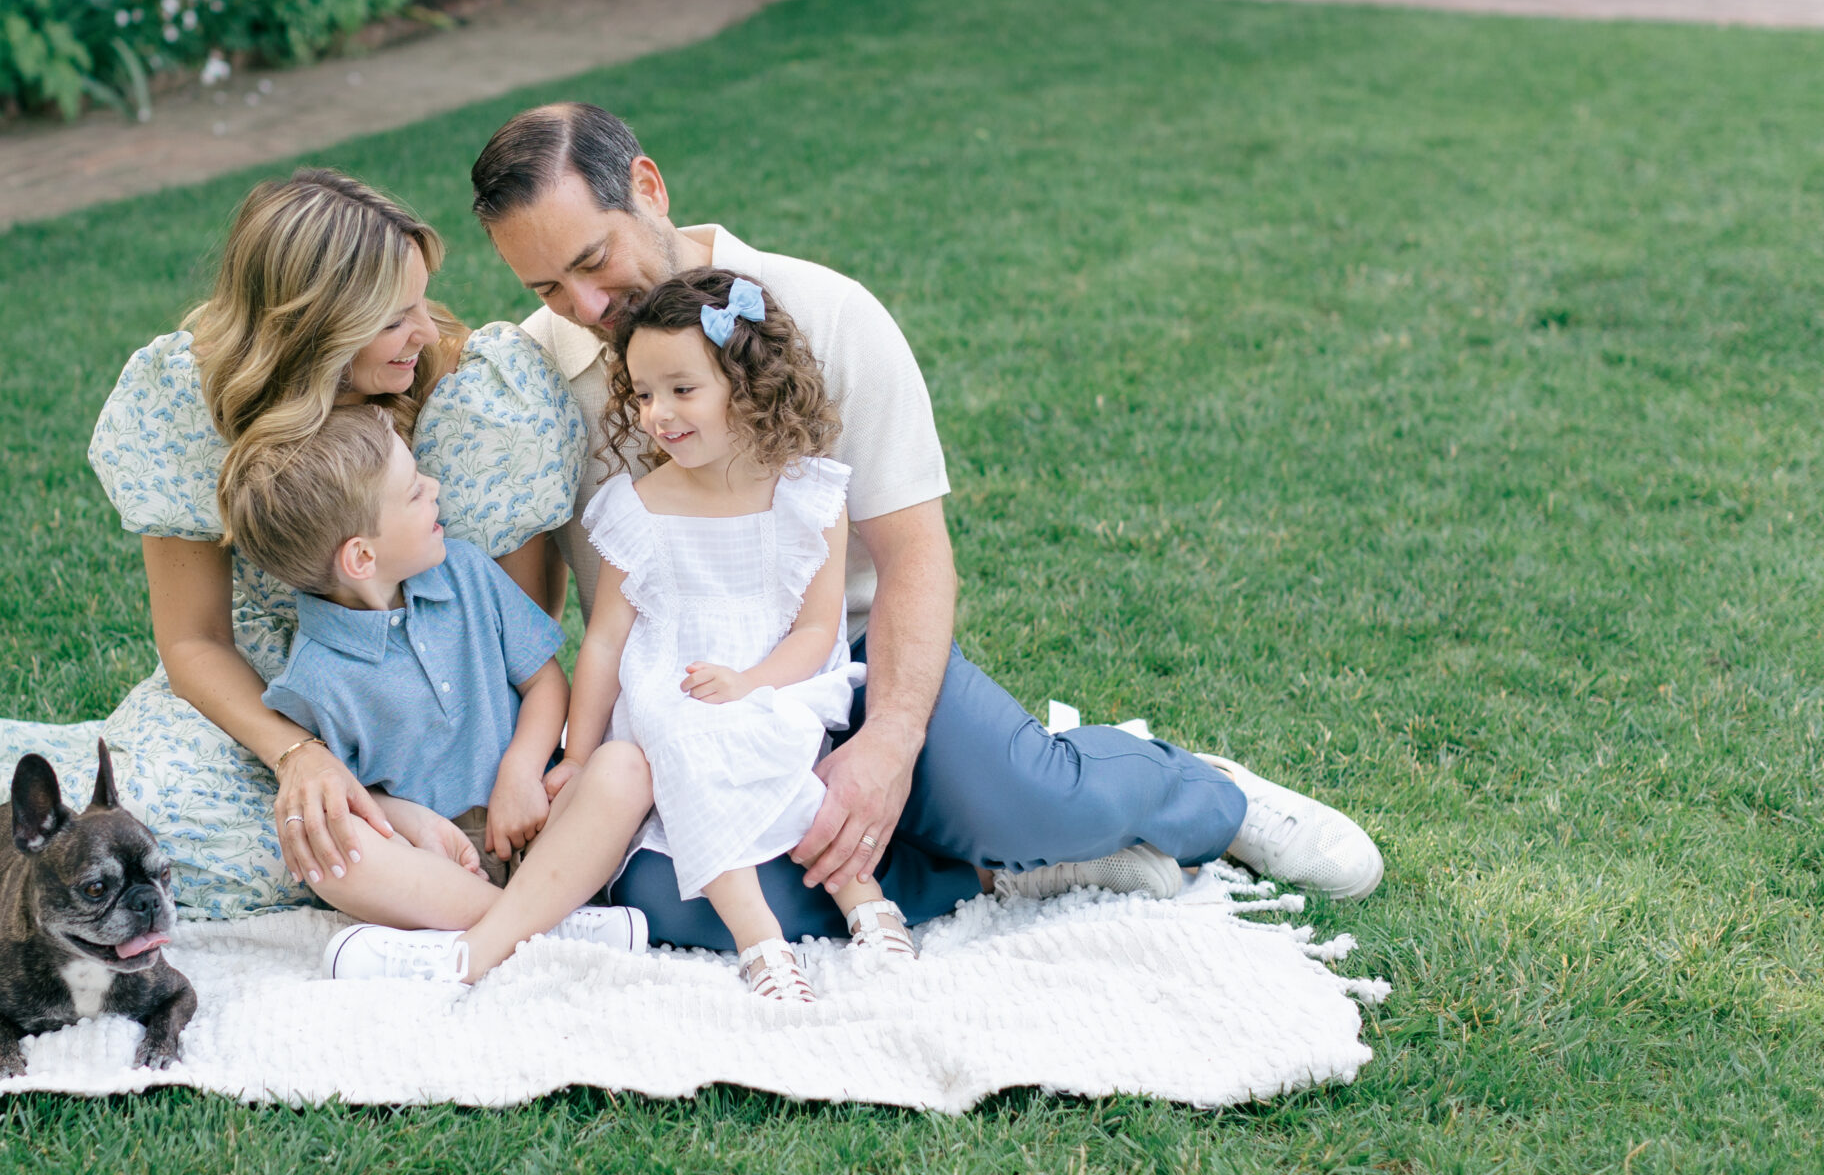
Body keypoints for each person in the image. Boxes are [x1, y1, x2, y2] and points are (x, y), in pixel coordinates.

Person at [470, 102, 1384, 952]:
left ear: (649, 188)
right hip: (683, 720)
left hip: (848, 667)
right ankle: (997, 870)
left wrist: (889, 744)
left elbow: (913, 557)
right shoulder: (532, 376)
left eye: (593, 260)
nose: (586, 306)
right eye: (548, 285)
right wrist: (543, 763)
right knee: (676, 904)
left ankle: (1197, 792)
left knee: (1031, 796)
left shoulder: (824, 313)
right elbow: (516, 610)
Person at [0, 169, 589, 919]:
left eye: (421, 299)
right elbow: (193, 641)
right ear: (312, 327)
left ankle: (433, 870)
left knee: (342, 835)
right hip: (255, 705)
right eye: (392, 316)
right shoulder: (185, 403)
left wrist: (483, 766)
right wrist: (299, 757)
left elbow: (518, 626)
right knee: (142, 832)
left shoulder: (469, 395)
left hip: (438, 710)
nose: (422, 328)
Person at [571, 269, 916, 1001]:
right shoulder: (637, 508)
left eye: (682, 389)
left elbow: (821, 625)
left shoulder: (808, 492)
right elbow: (604, 643)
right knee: (683, 733)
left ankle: (866, 903)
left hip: (777, 671)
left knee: (762, 730)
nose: (658, 413)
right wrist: (577, 756)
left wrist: (751, 683)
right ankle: (761, 942)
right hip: (674, 681)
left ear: (746, 382)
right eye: (642, 393)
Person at [223, 406, 656, 976]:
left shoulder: (468, 572)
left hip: (538, 820)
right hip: (435, 867)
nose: (435, 489)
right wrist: (414, 824)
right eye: (412, 492)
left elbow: (545, 680)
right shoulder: (314, 677)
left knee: (624, 768)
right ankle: (545, 927)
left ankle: (478, 944)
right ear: (361, 557)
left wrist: (521, 773)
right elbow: (353, 794)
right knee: (332, 850)